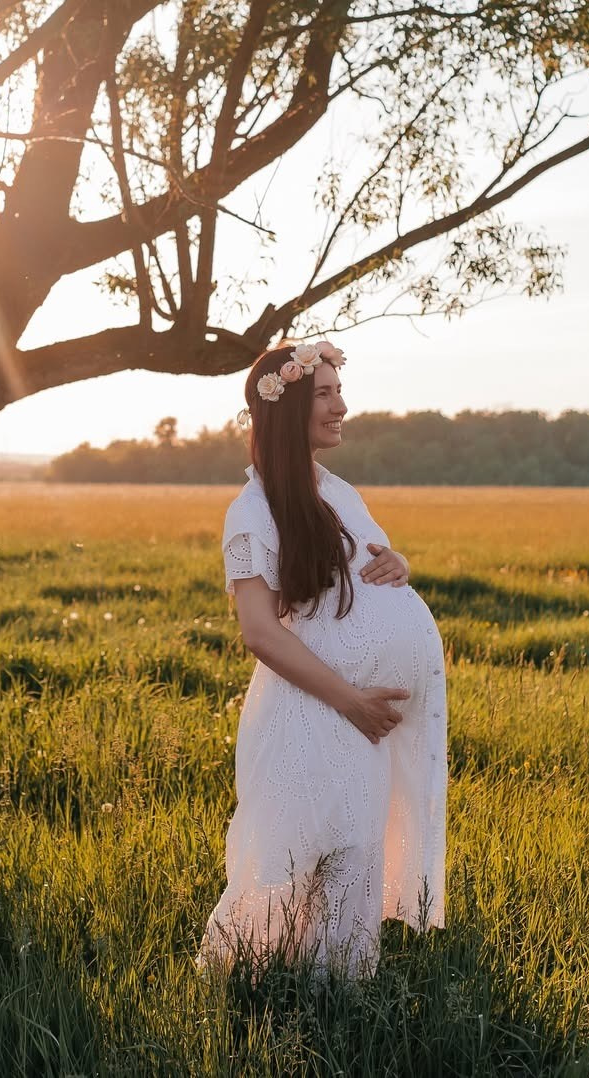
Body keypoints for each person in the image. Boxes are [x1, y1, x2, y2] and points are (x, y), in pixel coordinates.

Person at [198, 340, 447, 978]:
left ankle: (338, 992)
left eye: (340, 390)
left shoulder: (337, 491)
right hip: (311, 710)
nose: (343, 406)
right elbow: (260, 632)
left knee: (355, 848)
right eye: (326, 394)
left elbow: (365, 571)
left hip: (356, 717)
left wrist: (401, 565)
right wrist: (351, 700)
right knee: (292, 857)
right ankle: (259, 992)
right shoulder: (251, 514)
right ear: (285, 412)